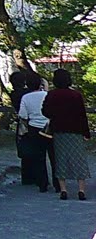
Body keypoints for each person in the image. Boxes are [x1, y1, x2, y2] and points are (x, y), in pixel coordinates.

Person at [43, 68, 90, 201]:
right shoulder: (76, 95)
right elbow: (82, 115)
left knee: (61, 158)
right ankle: (81, 190)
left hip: (59, 130)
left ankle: (63, 190)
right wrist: (86, 132)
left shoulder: (52, 94)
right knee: (78, 158)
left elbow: (45, 111)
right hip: (76, 131)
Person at [18, 72, 56, 192]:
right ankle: (58, 183)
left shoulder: (26, 97)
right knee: (54, 157)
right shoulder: (47, 94)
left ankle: (42, 184)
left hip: (34, 128)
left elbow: (23, 115)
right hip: (49, 127)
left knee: (39, 157)